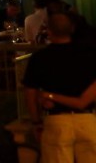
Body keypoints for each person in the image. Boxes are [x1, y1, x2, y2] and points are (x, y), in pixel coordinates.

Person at [22, 13, 96, 161]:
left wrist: (36, 121)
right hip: (87, 119)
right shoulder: (90, 56)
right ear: (72, 29)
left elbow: (30, 92)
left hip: (56, 121)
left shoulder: (39, 58)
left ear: (48, 31)